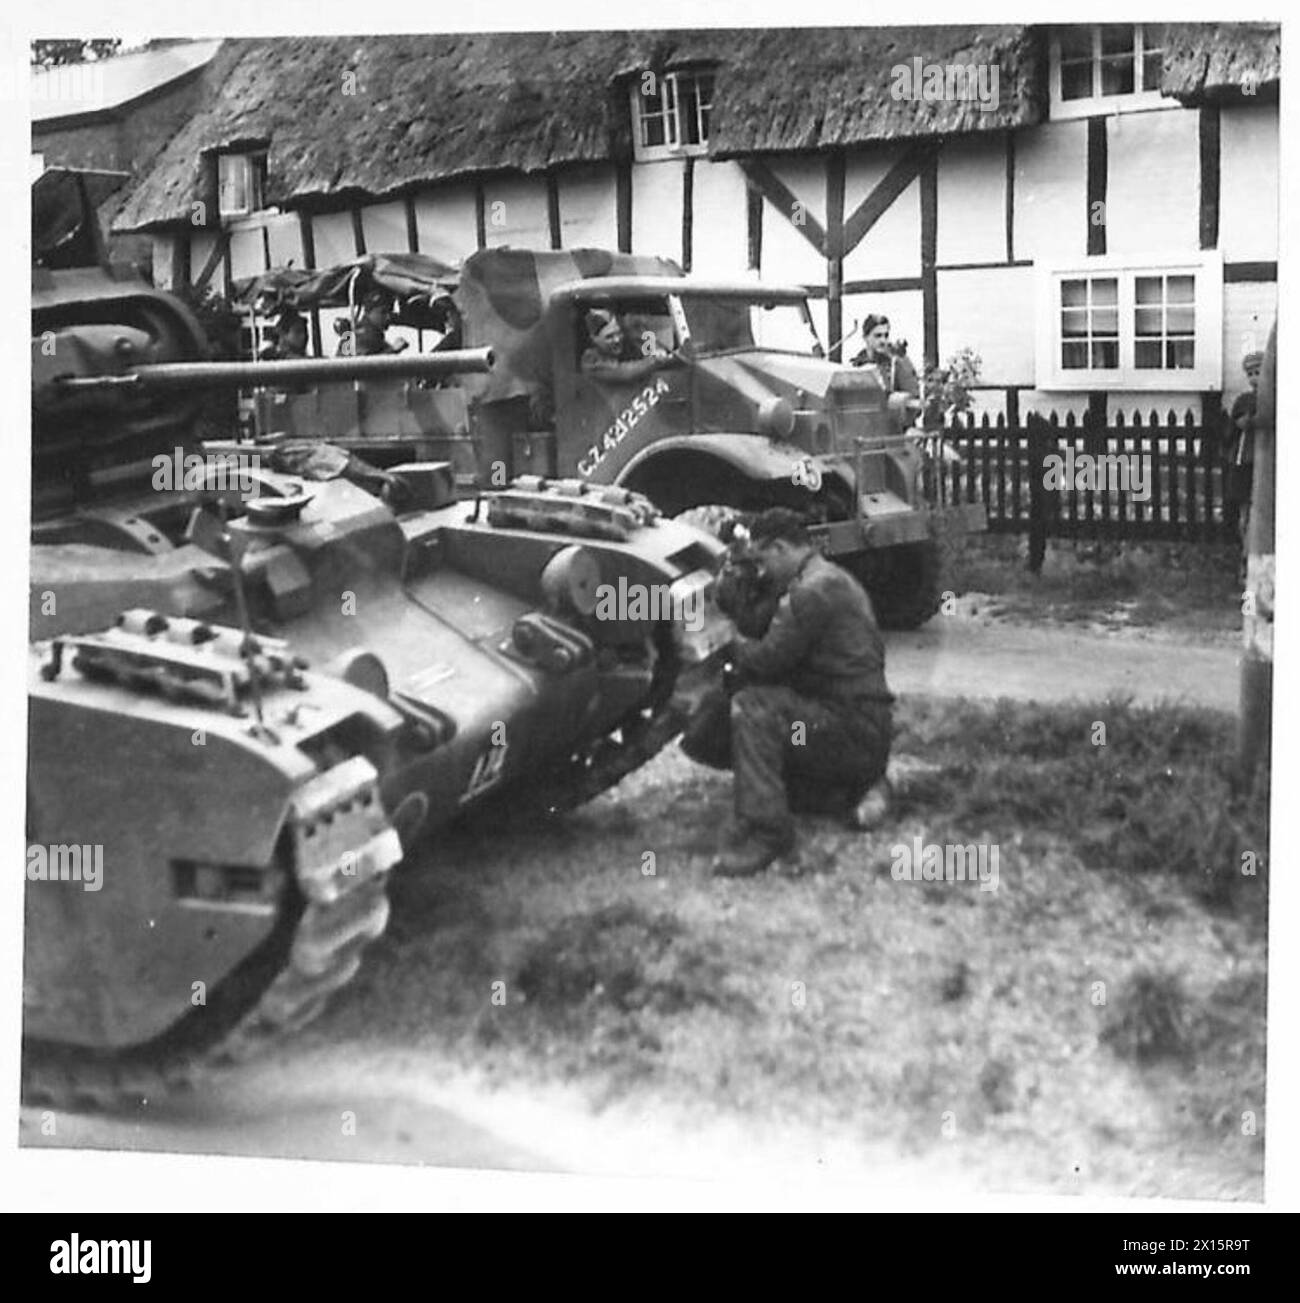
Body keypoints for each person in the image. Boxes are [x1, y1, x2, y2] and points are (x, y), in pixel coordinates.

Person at [683, 507, 895, 878]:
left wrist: (726, 640)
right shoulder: (823, 578)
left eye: (762, 560)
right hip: (848, 725)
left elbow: (765, 660)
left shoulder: (814, 591)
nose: (761, 570)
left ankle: (767, 831)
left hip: (850, 730)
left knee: (753, 708)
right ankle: (841, 792)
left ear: (780, 548)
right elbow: (769, 628)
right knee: (708, 731)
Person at [1226, 350, 1263, 543]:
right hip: (1244, 459)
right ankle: (1244, 546)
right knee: (1244, 506)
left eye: (1258, 372)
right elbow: (1235, 426)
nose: (1254, 378)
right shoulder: (1245, 400)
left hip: (1264, 459)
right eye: (1251, 374)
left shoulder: (1274, 398)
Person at [580, 308, 673, 382]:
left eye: (618, 333)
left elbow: (652, 349)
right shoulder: (591, 360)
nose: (617, 339)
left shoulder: (627, 342)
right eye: (609, 337)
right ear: (594, 339)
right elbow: (623, 372)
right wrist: (654, 360)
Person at [352, 290, 409, 357]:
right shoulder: (363, 336)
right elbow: (362, 364)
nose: (388, 317)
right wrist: (392, 350)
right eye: (383, 312)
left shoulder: (370, 334)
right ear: (368, 312)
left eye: (389, 312)